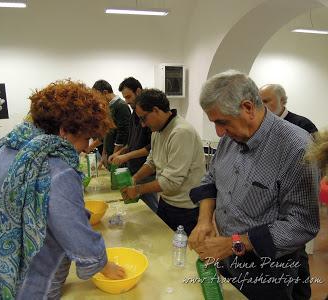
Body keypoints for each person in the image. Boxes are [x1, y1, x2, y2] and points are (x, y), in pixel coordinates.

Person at [0, 80, 125, 299]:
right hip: (11, 288)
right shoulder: (56, 169)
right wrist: (103, 264)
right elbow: (75, 233)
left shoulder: (5, 149)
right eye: (85, 138)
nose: (85, 147)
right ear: (64, 132)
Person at [189, 70, 320, 300]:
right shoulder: (231, 138)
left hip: (268, 269)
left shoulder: (296, 148)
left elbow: (302, 224)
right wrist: (204, 221)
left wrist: (234, 244)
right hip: (227, 255)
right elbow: (211, 180)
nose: (220, 132)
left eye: (222, 122)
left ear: (248, 108)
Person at [260, 83, 317, 298]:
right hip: (269, 203)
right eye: (260, 101)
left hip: (295, 202)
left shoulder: (302, 125)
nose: (263, 106)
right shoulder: (262, 127)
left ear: (282, 101)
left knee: (297, 255)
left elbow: (315, 165)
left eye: (267, 101)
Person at [121, 89, 205, 235]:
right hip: (166, 202)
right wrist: (134, 179)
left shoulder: (181, 132)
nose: (142, 125)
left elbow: (170, 182)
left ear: (156, 110)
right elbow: (152, 161)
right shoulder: (157, 131)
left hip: (185, 208)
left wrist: (138, 189)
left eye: (143, 118)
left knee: (180, 254)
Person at [107, 77, 158, 212]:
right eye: (125, 98)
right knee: (140, 209)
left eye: (129, 97)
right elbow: (131, 143)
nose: (127, 101)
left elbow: (150, 148)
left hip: (146, 171)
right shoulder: (133, 115)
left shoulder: (149, 117)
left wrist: (127, 156)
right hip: (134, 169)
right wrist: (120, 153)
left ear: (139, 91)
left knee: (151, 210)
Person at [89, 79, 130, 169]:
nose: (98, 101)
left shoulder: (121, 106)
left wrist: (114, 154)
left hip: (118, 155)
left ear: (105, 92)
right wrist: (104, 153)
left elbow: (122, 133)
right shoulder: (109, 106)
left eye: (98, 97)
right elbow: (107, 132)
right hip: (110, 154)